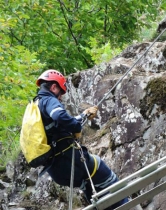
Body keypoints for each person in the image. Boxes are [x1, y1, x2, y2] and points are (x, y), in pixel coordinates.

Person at [35, 69, 128, 209]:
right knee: (100, 167)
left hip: (56, 170)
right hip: (68, 161)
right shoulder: (49, 100)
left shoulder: (35, 106)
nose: (60, 98)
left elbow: (58, 125)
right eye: (61, 93)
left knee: (89, 183)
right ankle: (127, 205)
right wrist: (76, 129)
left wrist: (83, 115)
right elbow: (59, 116)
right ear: (53, 87)